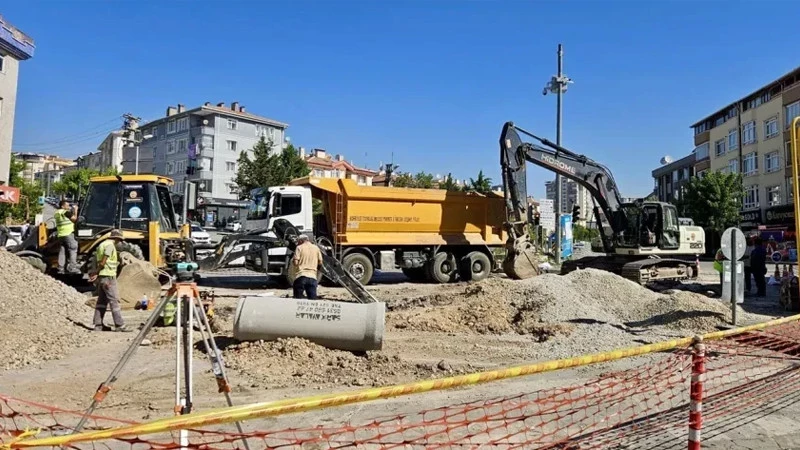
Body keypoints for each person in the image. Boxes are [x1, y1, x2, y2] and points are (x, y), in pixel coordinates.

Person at [88, 229, 131, 332]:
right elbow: (104, 261)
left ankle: (98, 325)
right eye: (120, 240)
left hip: (103, 277)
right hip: (109, 277)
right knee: (114, 301)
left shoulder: (101, 244)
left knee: (102, 301)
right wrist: (97, 272)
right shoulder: (110, 246)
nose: (120, 242)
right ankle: (120, 325)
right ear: (117, 238)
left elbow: (100, 260)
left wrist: (97, 272)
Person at [291, 234, 323, 300]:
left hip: (301, 276)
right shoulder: (316, 248)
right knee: (312, 300)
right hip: (313, 278)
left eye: (298, 241)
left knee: (297, 300)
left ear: (301, 241)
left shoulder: (299, 248)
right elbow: (320, 262)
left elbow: (296, 263)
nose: (298, 243)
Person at [54, 200, 80, 274]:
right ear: (62, 206)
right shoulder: (65, 212)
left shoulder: (57, 213)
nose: (68, 207)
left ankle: (60, 268)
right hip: (68, 233)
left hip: (61, 234)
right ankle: (72, 268)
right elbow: (75, 219)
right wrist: (75, 210)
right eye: (67, 205)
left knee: (62, 251)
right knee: (73, 249)